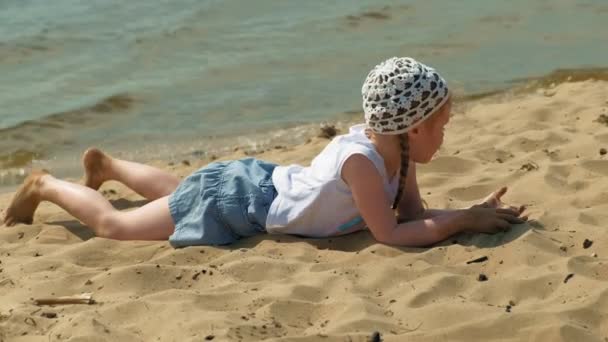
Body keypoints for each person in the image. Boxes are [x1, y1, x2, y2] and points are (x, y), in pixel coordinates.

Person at [1, 57, 527, 247]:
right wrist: (459, 222)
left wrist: (469, 214)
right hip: (239, 200)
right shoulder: (363, 163)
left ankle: (107, 166)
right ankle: (45, 184)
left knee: (177, 194)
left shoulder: (401, 157)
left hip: (255, 186)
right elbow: (391, 236)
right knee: (119, 228)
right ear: (410, 128)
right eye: (440, 126)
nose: (445, 136)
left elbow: (412, 217)